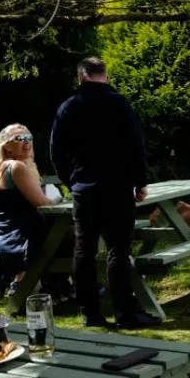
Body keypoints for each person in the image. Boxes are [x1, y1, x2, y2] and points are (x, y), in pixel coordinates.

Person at [50, 57, 158, 328]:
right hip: (117, 186)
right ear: (105, 77)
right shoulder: (119, 104)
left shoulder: (68, 107)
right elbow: (135, 144)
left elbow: (55, 151)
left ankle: (90, 313)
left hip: (84, 188)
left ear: (81, 77)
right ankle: (125, 312)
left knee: (84, 250)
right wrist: (140, 181)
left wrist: (71, 181)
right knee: (118, 250)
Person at [0, 124, 59, 296]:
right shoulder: (16, 167)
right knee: (68, 231)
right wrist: (57, 199)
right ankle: (65, 286)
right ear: (6, 145)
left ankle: (54, 285)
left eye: (29, 138)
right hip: (17, 238)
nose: (26, 142)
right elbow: (42, 204)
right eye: (19, 139)